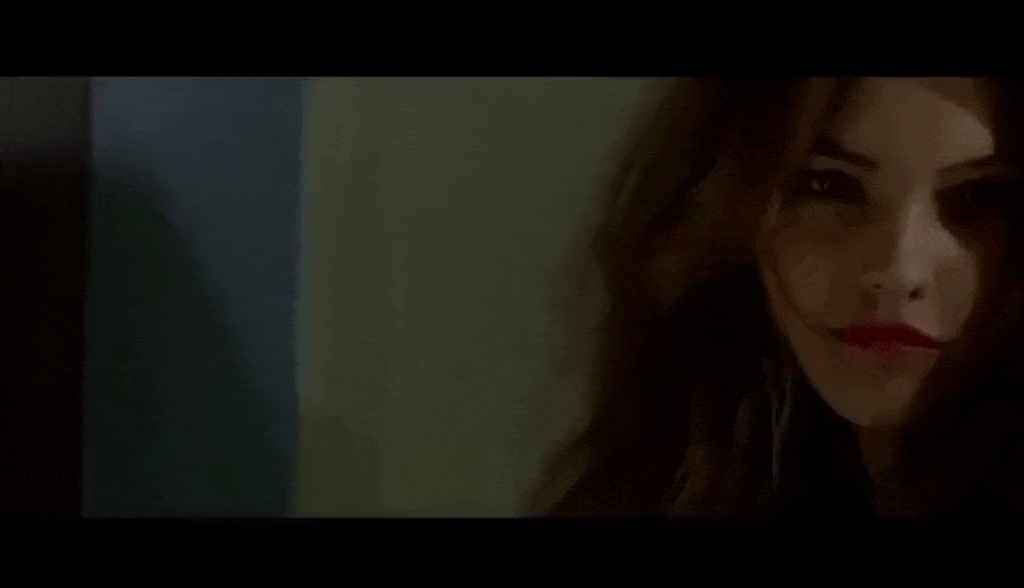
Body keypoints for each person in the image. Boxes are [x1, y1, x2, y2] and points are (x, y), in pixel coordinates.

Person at [525, 77, 1024, 519]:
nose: (898, 272)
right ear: (730, 207)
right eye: (831, 185)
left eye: (977, 198)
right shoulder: (693, 475)